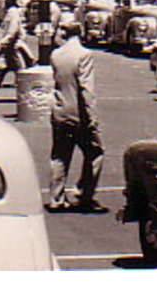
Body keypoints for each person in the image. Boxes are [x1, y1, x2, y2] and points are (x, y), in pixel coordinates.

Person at [45, 18, 103, 213]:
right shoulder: (84, 55)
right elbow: (86, 89)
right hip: (78, 113)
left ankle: (56, 198)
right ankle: (83, 193)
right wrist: (92, 117)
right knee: (94, 152)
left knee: (60, 155)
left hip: (60, 110)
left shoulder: (56, 54)